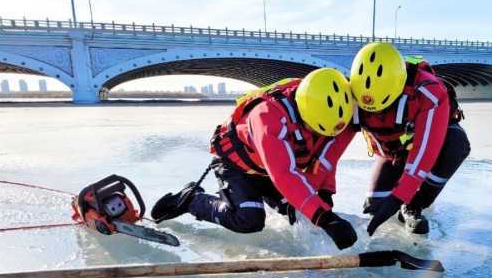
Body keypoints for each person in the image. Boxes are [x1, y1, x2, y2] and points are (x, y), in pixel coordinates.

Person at [151, 68, 358, 250]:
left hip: (266, 168)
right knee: (250, 220)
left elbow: (327, 155)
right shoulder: (268, 117)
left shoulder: (326, 110)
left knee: (298, 210)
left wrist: (325, 191)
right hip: (236, 165)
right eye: (314, 129)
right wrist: (325, 218)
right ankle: (192, 200)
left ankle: (245, 196)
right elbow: (284, 174)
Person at [349, 43, 470, 236]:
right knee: (375, 207)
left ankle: (414, 205)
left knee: (456, 143)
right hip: (393, 153)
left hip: (427, 147)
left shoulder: (428, 92)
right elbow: (330, 149)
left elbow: (425, 151)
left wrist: (400, 197)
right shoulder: (352, 94)